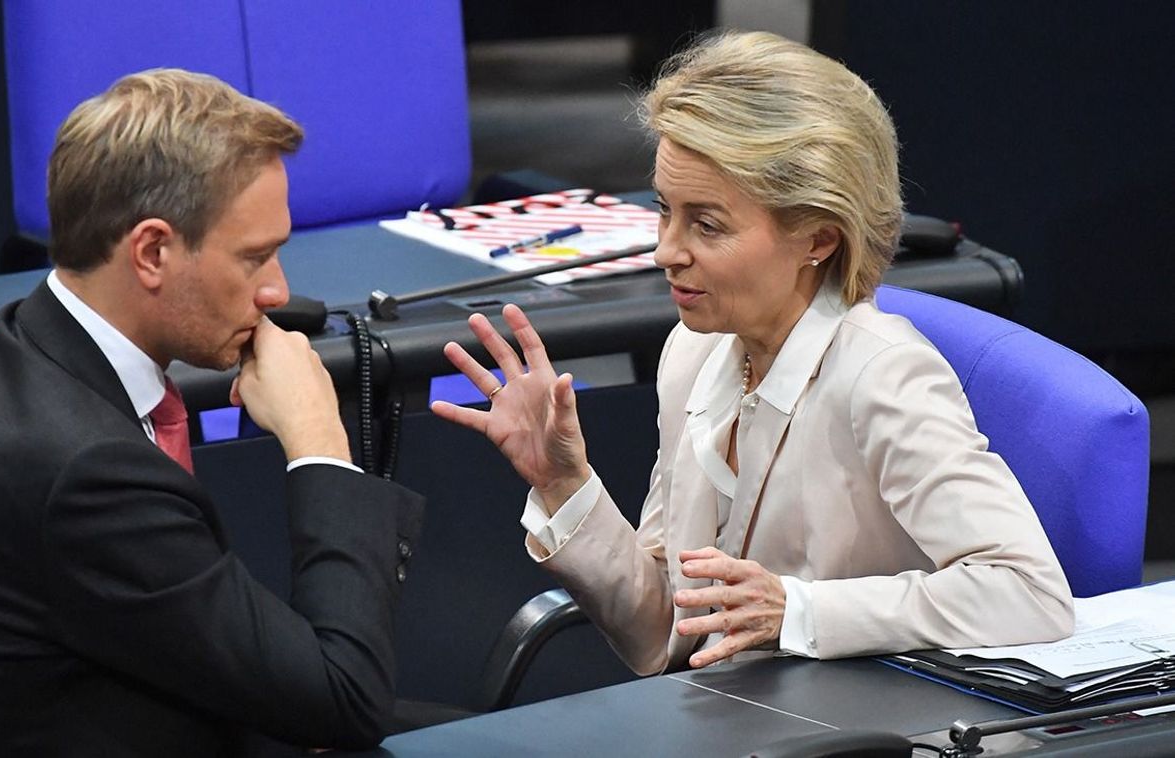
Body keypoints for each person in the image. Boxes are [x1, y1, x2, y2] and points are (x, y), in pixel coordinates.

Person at [431, 31, 1073, 677]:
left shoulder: (883, 377)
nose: (665, 252)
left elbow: (1028, 594)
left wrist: (797, 610)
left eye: (706, 225)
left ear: (817, 238)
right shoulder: (692, 352)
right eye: (664, 212)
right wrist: (564, 484)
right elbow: (663, 637)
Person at [0, 69, 424, 755]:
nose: (277, 291)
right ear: (151, 252)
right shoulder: (84, 471)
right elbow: (344, 700)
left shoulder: (31, 338)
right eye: (255, 257)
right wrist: (318, 439)